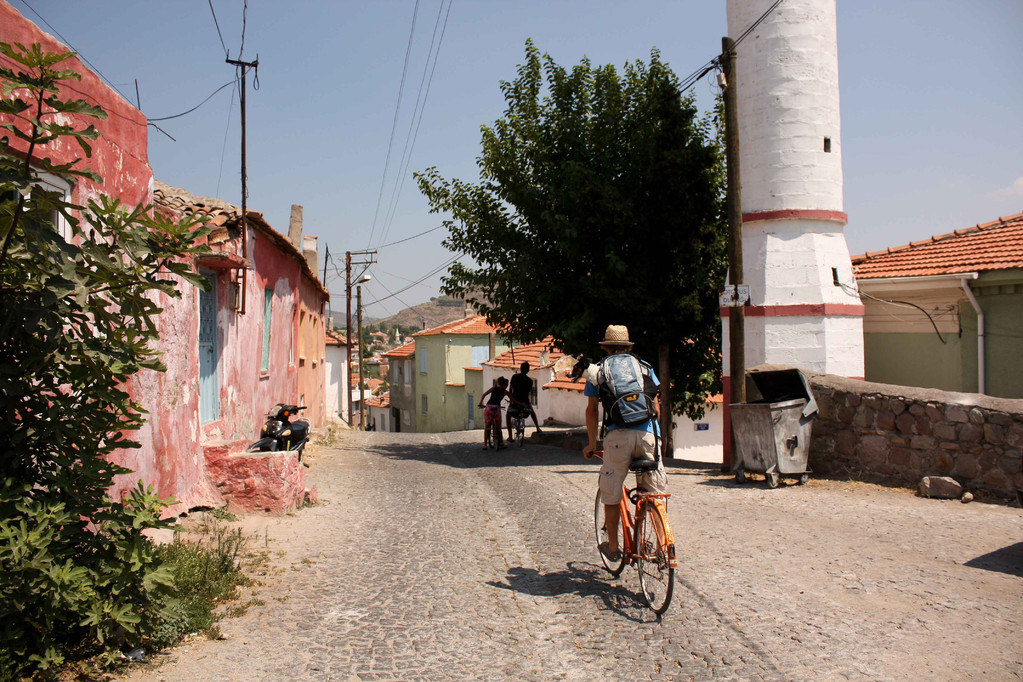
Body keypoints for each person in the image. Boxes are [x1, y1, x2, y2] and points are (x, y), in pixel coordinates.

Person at [582, 324, 666, 562]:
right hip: (648, 436)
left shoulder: (598, 371)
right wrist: (656, 438)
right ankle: (662, 545)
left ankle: (614, 546)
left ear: (606, 347)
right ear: (628, 346)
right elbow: (656, 406)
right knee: (655, 495)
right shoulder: (645, 368)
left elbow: (591, 411)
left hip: (617, 438)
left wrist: (591, 444)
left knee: (611, 490)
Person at [507, 361, 542, 441]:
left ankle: (510, 436)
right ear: (528, 370)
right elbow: (528, 392)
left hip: (514, 401)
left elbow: (510, 388)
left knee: (508, 415)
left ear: (520, 368)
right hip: (525, 402)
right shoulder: (530, 381)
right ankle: (537, 427)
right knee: (532, 412)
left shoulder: (514, 377)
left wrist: (511, 398)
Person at [478, 376, 509, 450]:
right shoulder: (505, 392)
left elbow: (484, 395)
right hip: (497, 408)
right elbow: (512, 399)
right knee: (498, 426)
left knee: (487, 426)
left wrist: (480, 403)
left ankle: (485, 445)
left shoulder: (494, 388)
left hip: (489, 408)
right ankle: (501, 443)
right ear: (504, 385)